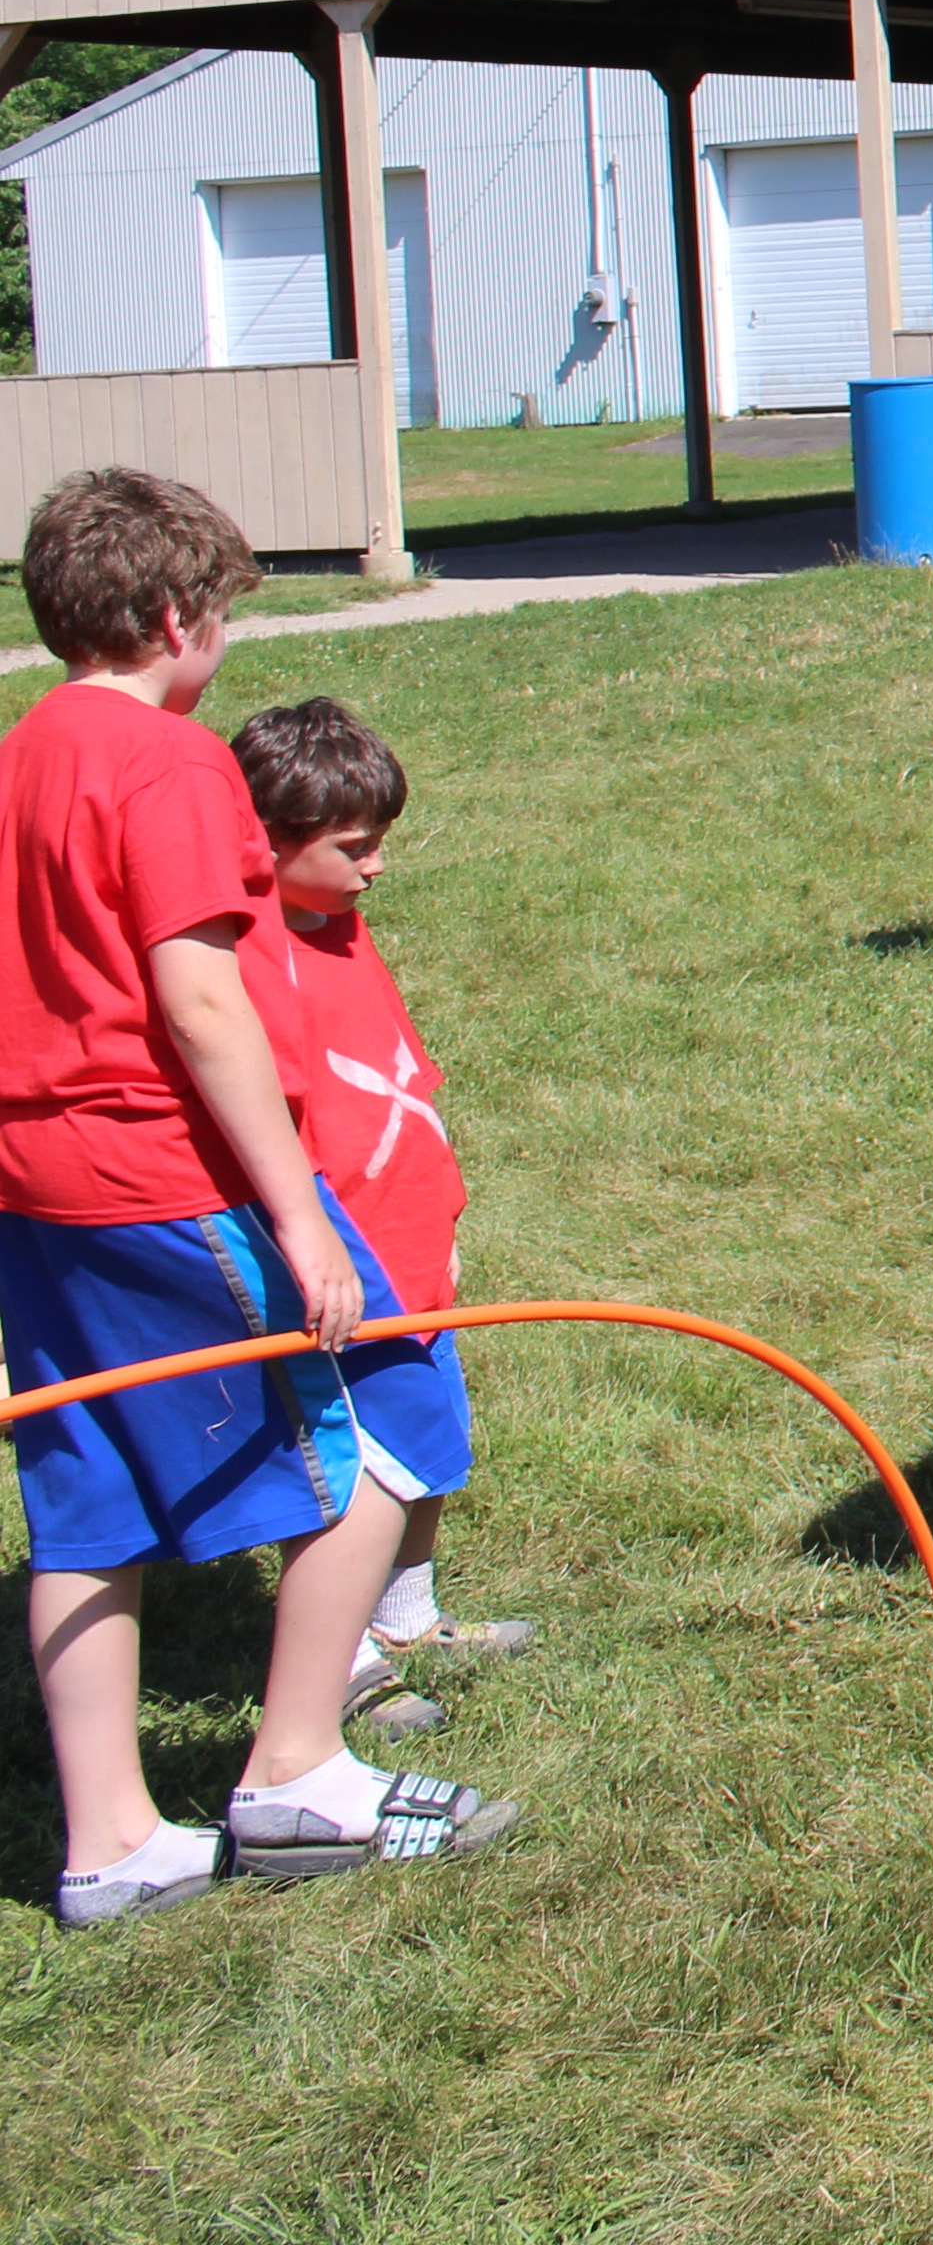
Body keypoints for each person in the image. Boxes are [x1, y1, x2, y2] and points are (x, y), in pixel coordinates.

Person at [0, 471, 507, 1924]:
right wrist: (295, 1215)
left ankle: (111, 1844)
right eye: (218, 611)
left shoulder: (22, 752)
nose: (218, 638)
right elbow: (201, 998)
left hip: (36, 1191)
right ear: (175, 615)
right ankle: (297, 1774)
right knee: (392, 1407)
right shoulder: (167, 766)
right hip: (163, 1172)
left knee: (86, 1497)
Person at [231, 698, 527, 1738]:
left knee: (432, 1440)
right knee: (349, 1468)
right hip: (338, 1260)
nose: (375, 870)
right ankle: (344, 1657)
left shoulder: (340, 928)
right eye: (352, 849)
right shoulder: (247, 959)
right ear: (265, 843)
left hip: (413, 1243)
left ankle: (408, 1617)